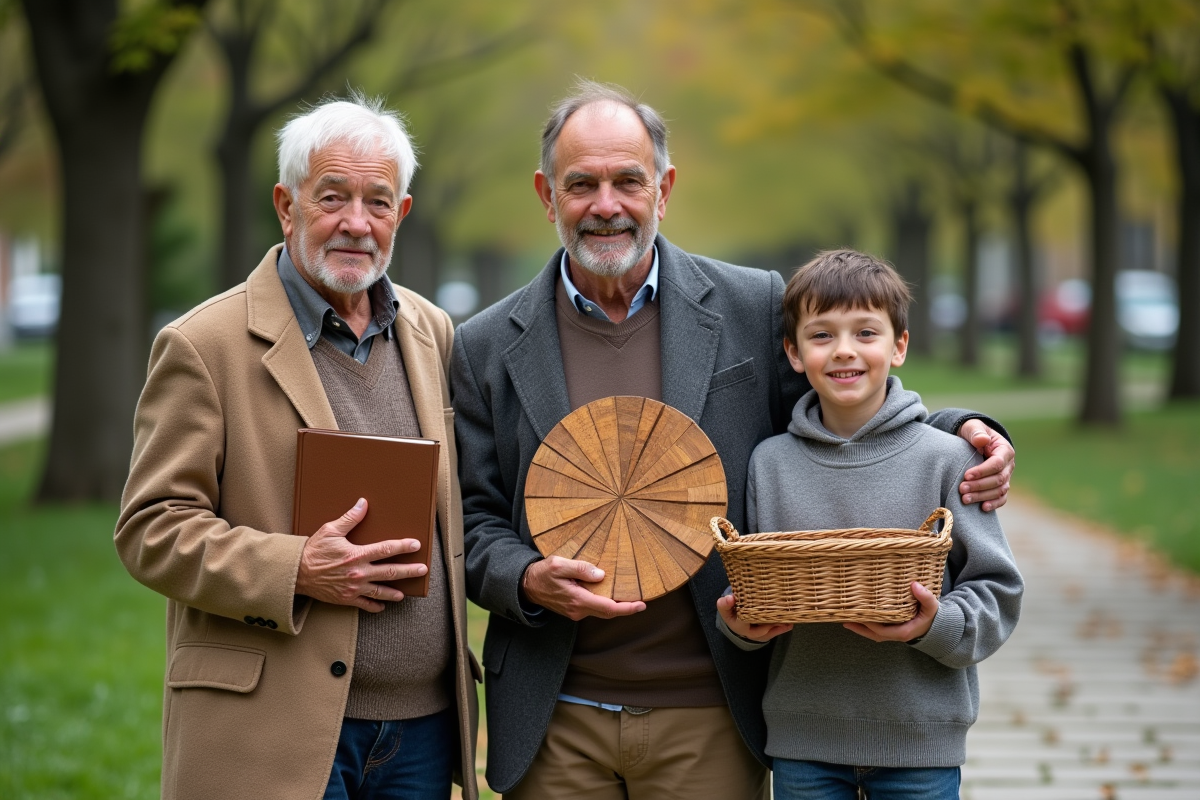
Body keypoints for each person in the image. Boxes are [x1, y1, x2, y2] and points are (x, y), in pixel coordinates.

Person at [450, 79, 1016, 798]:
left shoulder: (752, 304)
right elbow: (471, 519)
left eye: (629, 180)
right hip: (555, 714)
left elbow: (838, 408)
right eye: (581, 184)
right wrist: (526, 579)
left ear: (664, 189)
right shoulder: (485, 344)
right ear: (546, 193)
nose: (606, 205)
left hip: (714, 706)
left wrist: (961, 431)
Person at [115, 94, 478, 800]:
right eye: (332, 197)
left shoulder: (434, 333)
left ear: (401, 215)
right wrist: (296, 567)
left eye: (378, 202)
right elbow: (150, 529)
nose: (355, 222)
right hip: (274, 727)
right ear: (286, 205)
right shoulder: (204, 344)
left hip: (424, 733)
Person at [716, 249, 1024, 799]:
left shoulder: (948, 460)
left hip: (920, 741)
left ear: (898, 345)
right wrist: (738, 629)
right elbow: (751, 593)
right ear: (792, 352)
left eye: (865, 332)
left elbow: (997, 593)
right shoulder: (768, 464)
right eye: (821, 335)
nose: (844, 352)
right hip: (802, 742)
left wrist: (933, 625)